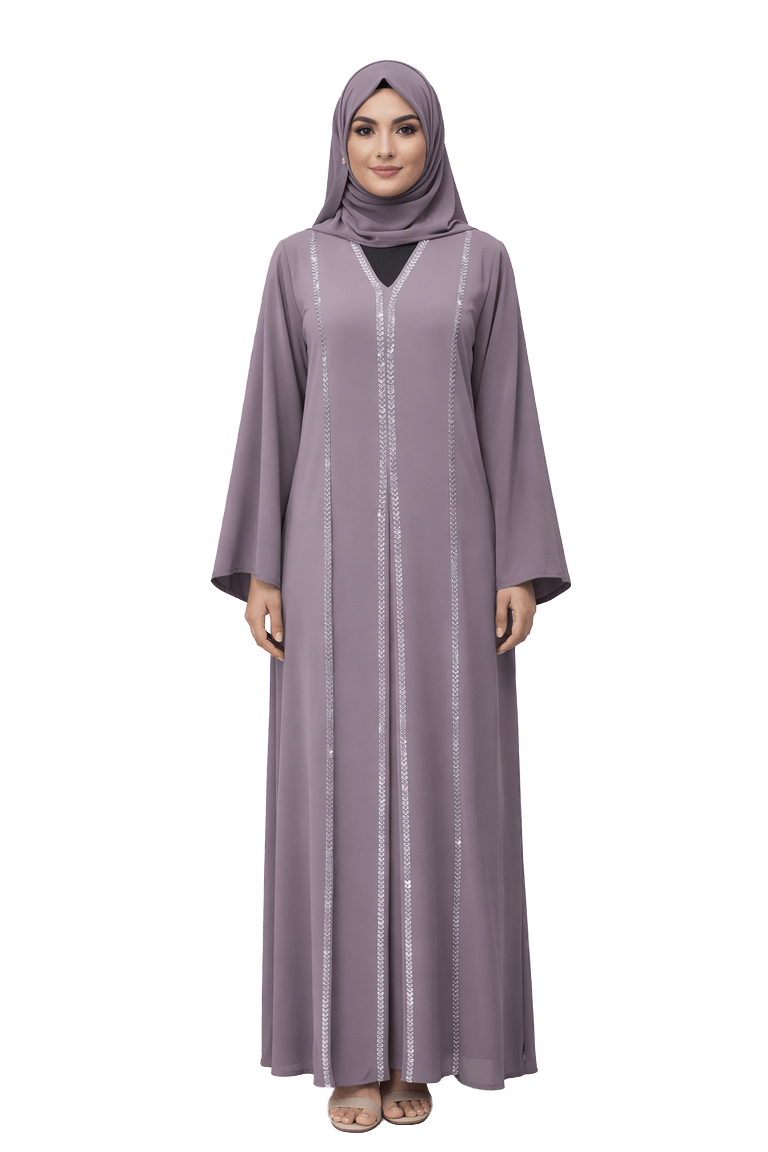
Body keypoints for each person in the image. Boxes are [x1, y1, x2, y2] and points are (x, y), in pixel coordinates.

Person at [211, 60, 571, 1132]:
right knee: (331, 788)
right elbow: (271, 411)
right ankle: (346, 1053)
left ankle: (429, 1045)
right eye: (364, 129)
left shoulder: (482, 262)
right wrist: (261, 567)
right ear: (340, 142)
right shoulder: (296, 262)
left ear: (434, 141)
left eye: (405, 128)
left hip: (456, 570)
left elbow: (508, 412)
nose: (383, 148)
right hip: (320, 573)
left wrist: (518, 566)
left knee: (449, 781)